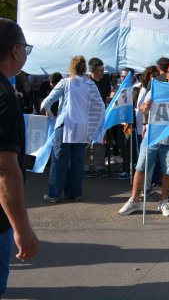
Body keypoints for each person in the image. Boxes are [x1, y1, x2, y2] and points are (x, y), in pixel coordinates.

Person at [0, 18, 39, 296]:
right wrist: (22, 229)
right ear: (15, 50)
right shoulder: (5, 96)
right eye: (26, 48)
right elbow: (4, 171)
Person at [118, 63, 169, 217]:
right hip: (153, 136)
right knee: (141, 168)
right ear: (167, 75)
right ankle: (134, 200)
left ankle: (164, 202)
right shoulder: (157, 89)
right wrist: (145, 108)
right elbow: (142, 107)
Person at [41, 56, 106, 202]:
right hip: (82, 127)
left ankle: (54, 194)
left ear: (71, 67)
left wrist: (47, 110)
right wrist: (94, 125)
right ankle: (75, 192)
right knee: (77, 162)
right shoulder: (90, 84)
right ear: (85, 68)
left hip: (66, 125)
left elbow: (48, 100)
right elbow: (100, 106)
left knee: (59, 160)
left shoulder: (65, 82)